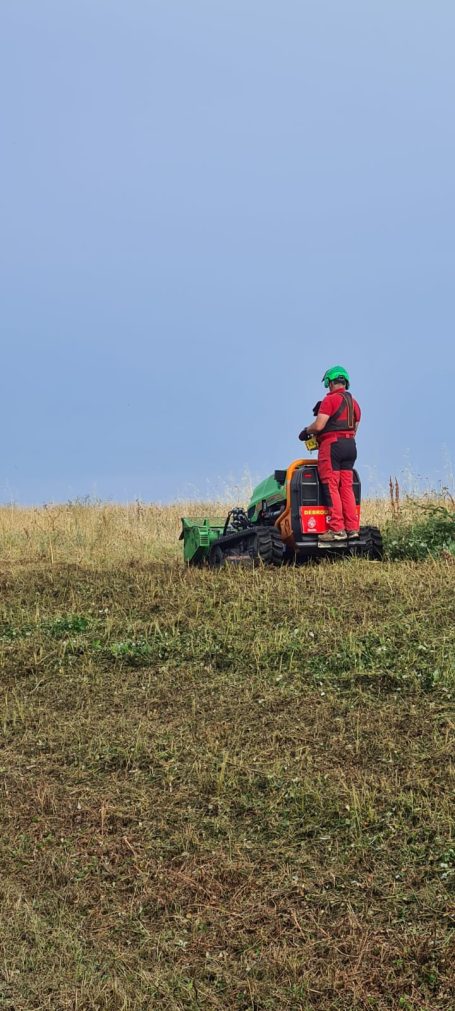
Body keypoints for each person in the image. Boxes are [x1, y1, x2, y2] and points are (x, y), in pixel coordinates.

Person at [299, 366, 361, 545]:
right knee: (346, 487)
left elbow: (319, 425)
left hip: (332, 446)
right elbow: (355, 427)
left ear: (330, 382)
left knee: (331, 486)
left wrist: (306, 431)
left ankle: (337, 530)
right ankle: (352, 529)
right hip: (350, 446)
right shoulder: (354, 403)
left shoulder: (330, 400)